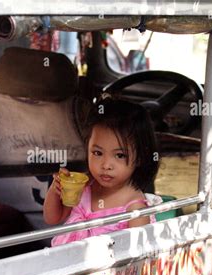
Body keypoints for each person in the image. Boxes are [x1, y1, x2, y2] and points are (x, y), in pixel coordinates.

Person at [43, 96, 161, 246]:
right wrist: (55, 191)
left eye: (119, 155)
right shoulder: (83, 186)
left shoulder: (135, 208)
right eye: (97, 153)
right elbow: (53, 218)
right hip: (66, 262)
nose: (106, 165)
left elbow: (135, 257)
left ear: (139, 158)